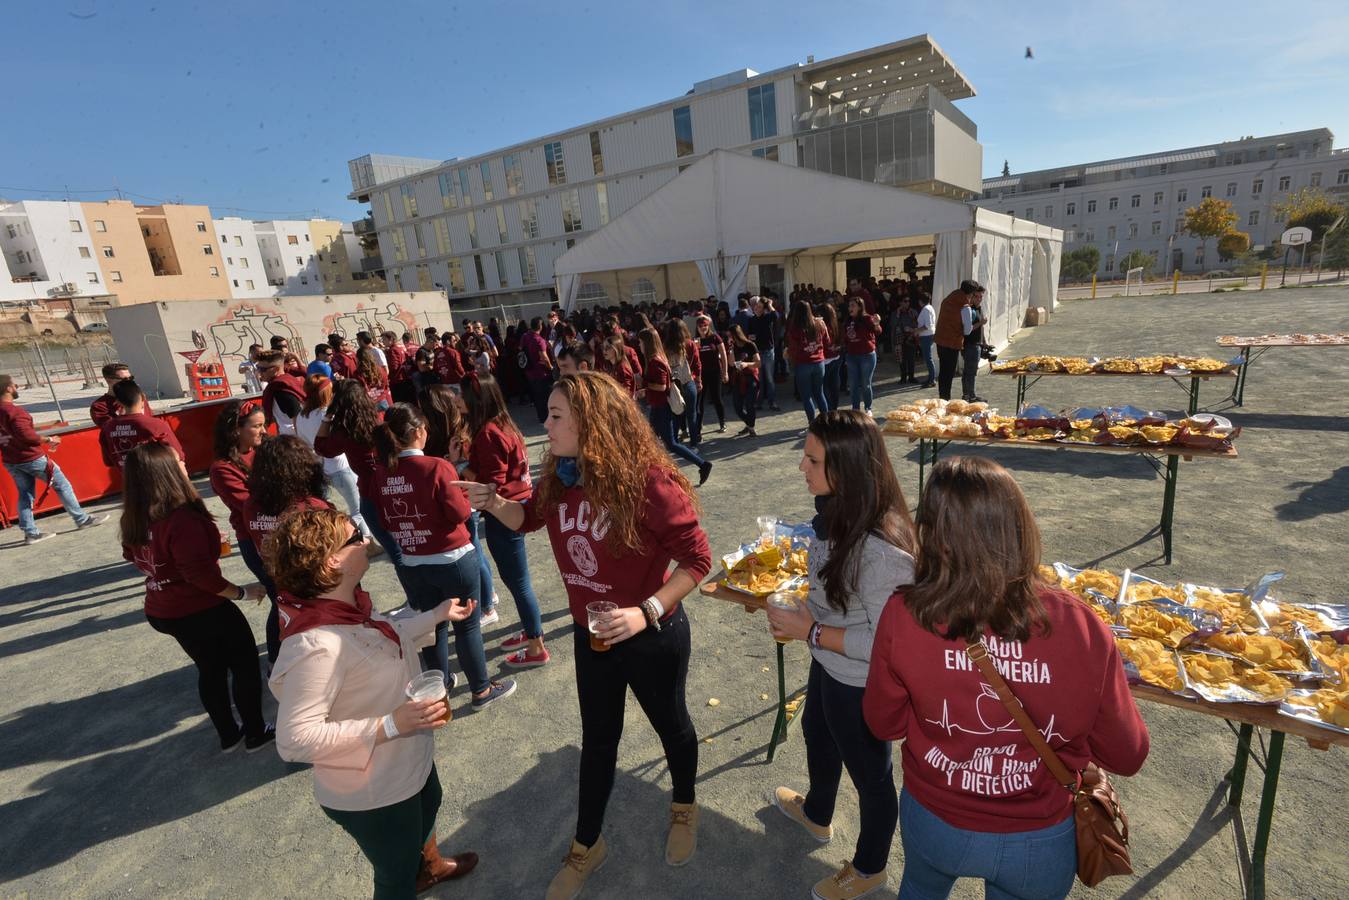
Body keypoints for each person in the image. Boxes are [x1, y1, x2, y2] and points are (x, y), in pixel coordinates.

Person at [454, 372, 711, 898]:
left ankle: (683, 805)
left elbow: (697, 559)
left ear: (591, 423)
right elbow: (527, 517)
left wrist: (647, 610)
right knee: (598, 739)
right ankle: (588, 842)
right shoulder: (561, 476)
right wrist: (490, 502)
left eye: (555, 416)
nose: (543, 425)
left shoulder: (649, 483)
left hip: (650, 633)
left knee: (673, 726)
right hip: (590, 636)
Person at [864, 456, 1150, 900]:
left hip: (937, 818)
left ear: (931, 534)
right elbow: (1127, 754)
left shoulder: (903, 615)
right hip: (1037, 836)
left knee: (920, 887)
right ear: (1019, 528)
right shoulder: (1080, 626)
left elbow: (884, 724)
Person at [266, 508, 480, 898]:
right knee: (395, 876)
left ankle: (429, 867)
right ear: (333, 561)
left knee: (430, 800)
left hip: (403, 763)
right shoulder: (317, 644)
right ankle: (414, 874)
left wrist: (436, 615)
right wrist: (392, 724)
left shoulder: (346, 607)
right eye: (354, 538)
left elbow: (385, 637)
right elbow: (294, 739)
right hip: (373, 790)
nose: (365, 540)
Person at [766, 411, 915, 900]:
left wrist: (812, 631)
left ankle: (871, 867)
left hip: (860, 678)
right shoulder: (839, 513)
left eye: (812, 459)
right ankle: (817, 814)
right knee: (817, 733)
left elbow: (889, 642)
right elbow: (843, 595)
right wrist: (808, 607)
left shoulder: (882, 549)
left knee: (872, 776)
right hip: (830, 661)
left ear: (847, 468)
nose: (801, 467)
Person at [120, 442, 273, 753]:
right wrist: (242, 593)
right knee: (243, 664)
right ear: (165, 472)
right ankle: (256, 732)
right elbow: (201, 577)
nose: (184, 465)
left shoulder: (135, 517)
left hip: (164, 608)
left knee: (210, 668)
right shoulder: (181, 519)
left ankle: (229, 735)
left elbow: (133, 555)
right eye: (178, 461)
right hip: (200, 607)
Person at [372, 403, 516, 709]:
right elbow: (460, 513)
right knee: (467, 625)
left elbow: (385, 521)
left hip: (413, 562)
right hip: (453, 560)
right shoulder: (436, 467)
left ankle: (439, 687)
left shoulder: (383, 473)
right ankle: (481, 690)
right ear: (418, 432)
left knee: (430, 625)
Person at [461, 373, 550, 668]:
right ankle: (531, 630)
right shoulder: (505, 422)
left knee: (519, 582)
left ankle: (536, 646)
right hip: (518, 505)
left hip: (505, 511)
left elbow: (493, 485)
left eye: (463, 396)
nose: (459, 402)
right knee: (517, 581)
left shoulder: (488, 431)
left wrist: (462, 469)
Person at [243, 435, 333, 663]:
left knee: (284, 622)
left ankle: (276, 665)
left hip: (280, 581)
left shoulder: (251, 505)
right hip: (319, 589)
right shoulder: (311, 507)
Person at [418, 384, 499, 628]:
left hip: (464, 500)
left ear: (436, 411)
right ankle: (490, 594)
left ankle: (487, 606)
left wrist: (452, 463)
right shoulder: (441, 431)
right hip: (455, 499)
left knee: (472, 551)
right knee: (475, 551)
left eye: (423, 409)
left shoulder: (458, 435)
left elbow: (469, 472)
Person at [315, 380, 407, 581]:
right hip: (394, 484)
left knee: (395, 549)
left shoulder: (346, 430)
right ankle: (421, 598)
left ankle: (416, 599)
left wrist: (328, 417)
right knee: (408, 544)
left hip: (370, 490)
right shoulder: (378, 418)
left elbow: (321, 447)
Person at [209, 398, 279, 655]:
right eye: (256, 426)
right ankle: (276, 658)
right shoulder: (222, 469)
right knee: (281, 600)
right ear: (235, 429)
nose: (264, 431)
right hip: (257, 542)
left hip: (284, 533)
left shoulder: (266, 449)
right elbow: (251, 506)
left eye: (264, 425)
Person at [0, 374, 106, 544]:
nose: (17, 387)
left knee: (25, 494)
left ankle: (30, 532)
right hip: (31, 458)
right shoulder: (14, 412)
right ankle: (81, 519)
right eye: (14, 385)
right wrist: (49, 439)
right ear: (8, 388)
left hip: (11, 459)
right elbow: (27, 436)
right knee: (62, 485)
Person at [296, 374, 371, 542]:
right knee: (358, 509)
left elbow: (304, 444)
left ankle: (363, 540)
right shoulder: (329, 415)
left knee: (348, 508)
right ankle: (362, 539)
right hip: (341, 466)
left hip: (322, 468)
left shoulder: (302, 416)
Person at [637, 328, 712, 486]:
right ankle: (660, 474)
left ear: (647, 343)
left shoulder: (655, 361)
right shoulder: (656, 359)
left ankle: (702, 464)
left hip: (661, 408)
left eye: (641, 342)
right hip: (657, 406)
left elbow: (662, 386)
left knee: (670, 443)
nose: (639, 345)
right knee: (653, 441)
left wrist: (645, 384)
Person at [97, 379, 184, 468]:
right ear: (143, 397)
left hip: (129, 478)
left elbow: (108, 461)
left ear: (118, 402)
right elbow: (178, 455)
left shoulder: (107, 428)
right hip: (159, 476)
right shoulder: (156, 425)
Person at [934, 280, 986, 402]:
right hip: (952, 342)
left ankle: (943, 398)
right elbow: (967, 331)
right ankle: (945, 400)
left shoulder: (947, 300)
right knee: (948, 373)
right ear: (972, 293)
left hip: (940, 340)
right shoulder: (965, 307)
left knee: (943, 372)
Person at [786, 300, 830, 426]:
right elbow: (827, 340)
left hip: (803, 364)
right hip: (819, 362)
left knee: (807, 396)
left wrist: (791, 358)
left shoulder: (795, 328)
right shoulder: (819, 323)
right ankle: (826, 421)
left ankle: (812, 422)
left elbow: (793, 348)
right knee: (820, 393)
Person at [660, 319, 702, 445]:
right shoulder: (689, 343)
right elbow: (697, 364)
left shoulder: (665, 347)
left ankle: (674, 443)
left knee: (675, 415)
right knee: (692, 415)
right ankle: (694, 442)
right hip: (688, 382)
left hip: (674, 385)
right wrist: (699, 380)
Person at [842, 298, 883, 415]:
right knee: (853, 384)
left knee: (865, 383)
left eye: (853, 305)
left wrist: (877, 323)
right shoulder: (848, 321)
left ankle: (868, 408)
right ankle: (855, 409)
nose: (850, 308)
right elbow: (845, 338)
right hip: (851, 356)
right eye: (849, 306)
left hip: (867, 356)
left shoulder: (867, 318)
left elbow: (878, 331)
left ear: (860, 307)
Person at [257, 349, 305, 436]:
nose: (259, 373)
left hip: (295, 440)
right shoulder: (289, 380)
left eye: (262, 369)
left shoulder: (281, 389)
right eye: (258, 368)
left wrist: (300, 444)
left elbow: (297, 419)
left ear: (276, 369)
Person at [90, 362, 153, 426]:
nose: (129, 382)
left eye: (131, 378)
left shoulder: (137, 397)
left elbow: (150, 421)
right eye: (124, 379)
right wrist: (126, 409)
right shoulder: (99, 406)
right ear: (109, 380)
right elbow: (110, 429)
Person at [694, 316, 727, 434]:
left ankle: (722, 422)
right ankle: (699, 425)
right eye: (700, 326)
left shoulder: (715, 338)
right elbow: (693, 358)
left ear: (708, 326)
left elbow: (723, 355)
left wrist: (725, 372)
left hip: (715, 372)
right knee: (700, 401)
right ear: (697, 327)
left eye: (705, 326)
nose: (703, 328)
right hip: (701, 374)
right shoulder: (696, 340)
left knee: (717, 398)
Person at [727, 325, 760, 438]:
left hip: (750, 377)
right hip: (738, 377)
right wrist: (730, 349)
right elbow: (731, 364)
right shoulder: (732, 347)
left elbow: (758, 363)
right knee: (737, 406)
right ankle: (749, 423)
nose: (730, 338)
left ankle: (751, 427)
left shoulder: (750, 345)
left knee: (750, 404)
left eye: (731, 335)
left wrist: (747, 364)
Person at [521, 317, 554, 424]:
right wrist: (551, 367)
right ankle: (547, 417)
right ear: (541, 326)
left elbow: (520, 348)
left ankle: (541, 417)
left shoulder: (525, 336)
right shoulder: (539, 340)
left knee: (537, 396)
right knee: (546, 396)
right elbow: (544, 357)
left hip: (529, 371)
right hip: (541, 372)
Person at [750, 297, 780, 411]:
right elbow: (749, 334)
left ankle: (772, 402)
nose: (757, 309)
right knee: (759, 379)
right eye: (756, 307)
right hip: (757, 352)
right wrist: (751, 338)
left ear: (763, 309)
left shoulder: (767, 317)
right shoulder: (751, 319)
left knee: (769, 378)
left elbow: (776, 315)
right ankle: (759, 402)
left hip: (767, 351)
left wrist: (770, 305)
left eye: (760, 307)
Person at [818, 302, 844, 413]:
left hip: (825, 359)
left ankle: (829, 410)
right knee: (834, 385)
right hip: (836, 357)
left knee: (825, 387)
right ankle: (834, 409)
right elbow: (842, 339)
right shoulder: (837, 324)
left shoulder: (821, 326)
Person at [891, 295, 919, 385]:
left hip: (911, 338)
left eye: (908, 301)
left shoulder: (913, 312)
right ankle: (903, 377)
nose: (907, 303)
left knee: (911, 359)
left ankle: (911, 377)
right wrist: (898, 315)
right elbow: (893, 325)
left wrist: (911, 329)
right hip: (899, 339)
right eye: (905, 301)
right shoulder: (895, 313)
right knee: (901, 359)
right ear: (900, 303)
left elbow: (918, 324)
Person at [357, 346, 393, 411]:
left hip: (369, 404)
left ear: (359, 359)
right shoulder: (380, 369)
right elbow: (385, 383)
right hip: (383, 400)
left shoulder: (358, 373)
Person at [915, 293, 937, 388]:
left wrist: (916, 331)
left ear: (921, 301)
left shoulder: (926, 309)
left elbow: (927, 325)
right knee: (928, 358)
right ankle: (931, 378)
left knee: (928, 358)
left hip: (926, 335)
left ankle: (932, 379)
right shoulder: (929, 308)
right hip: (928, 335)